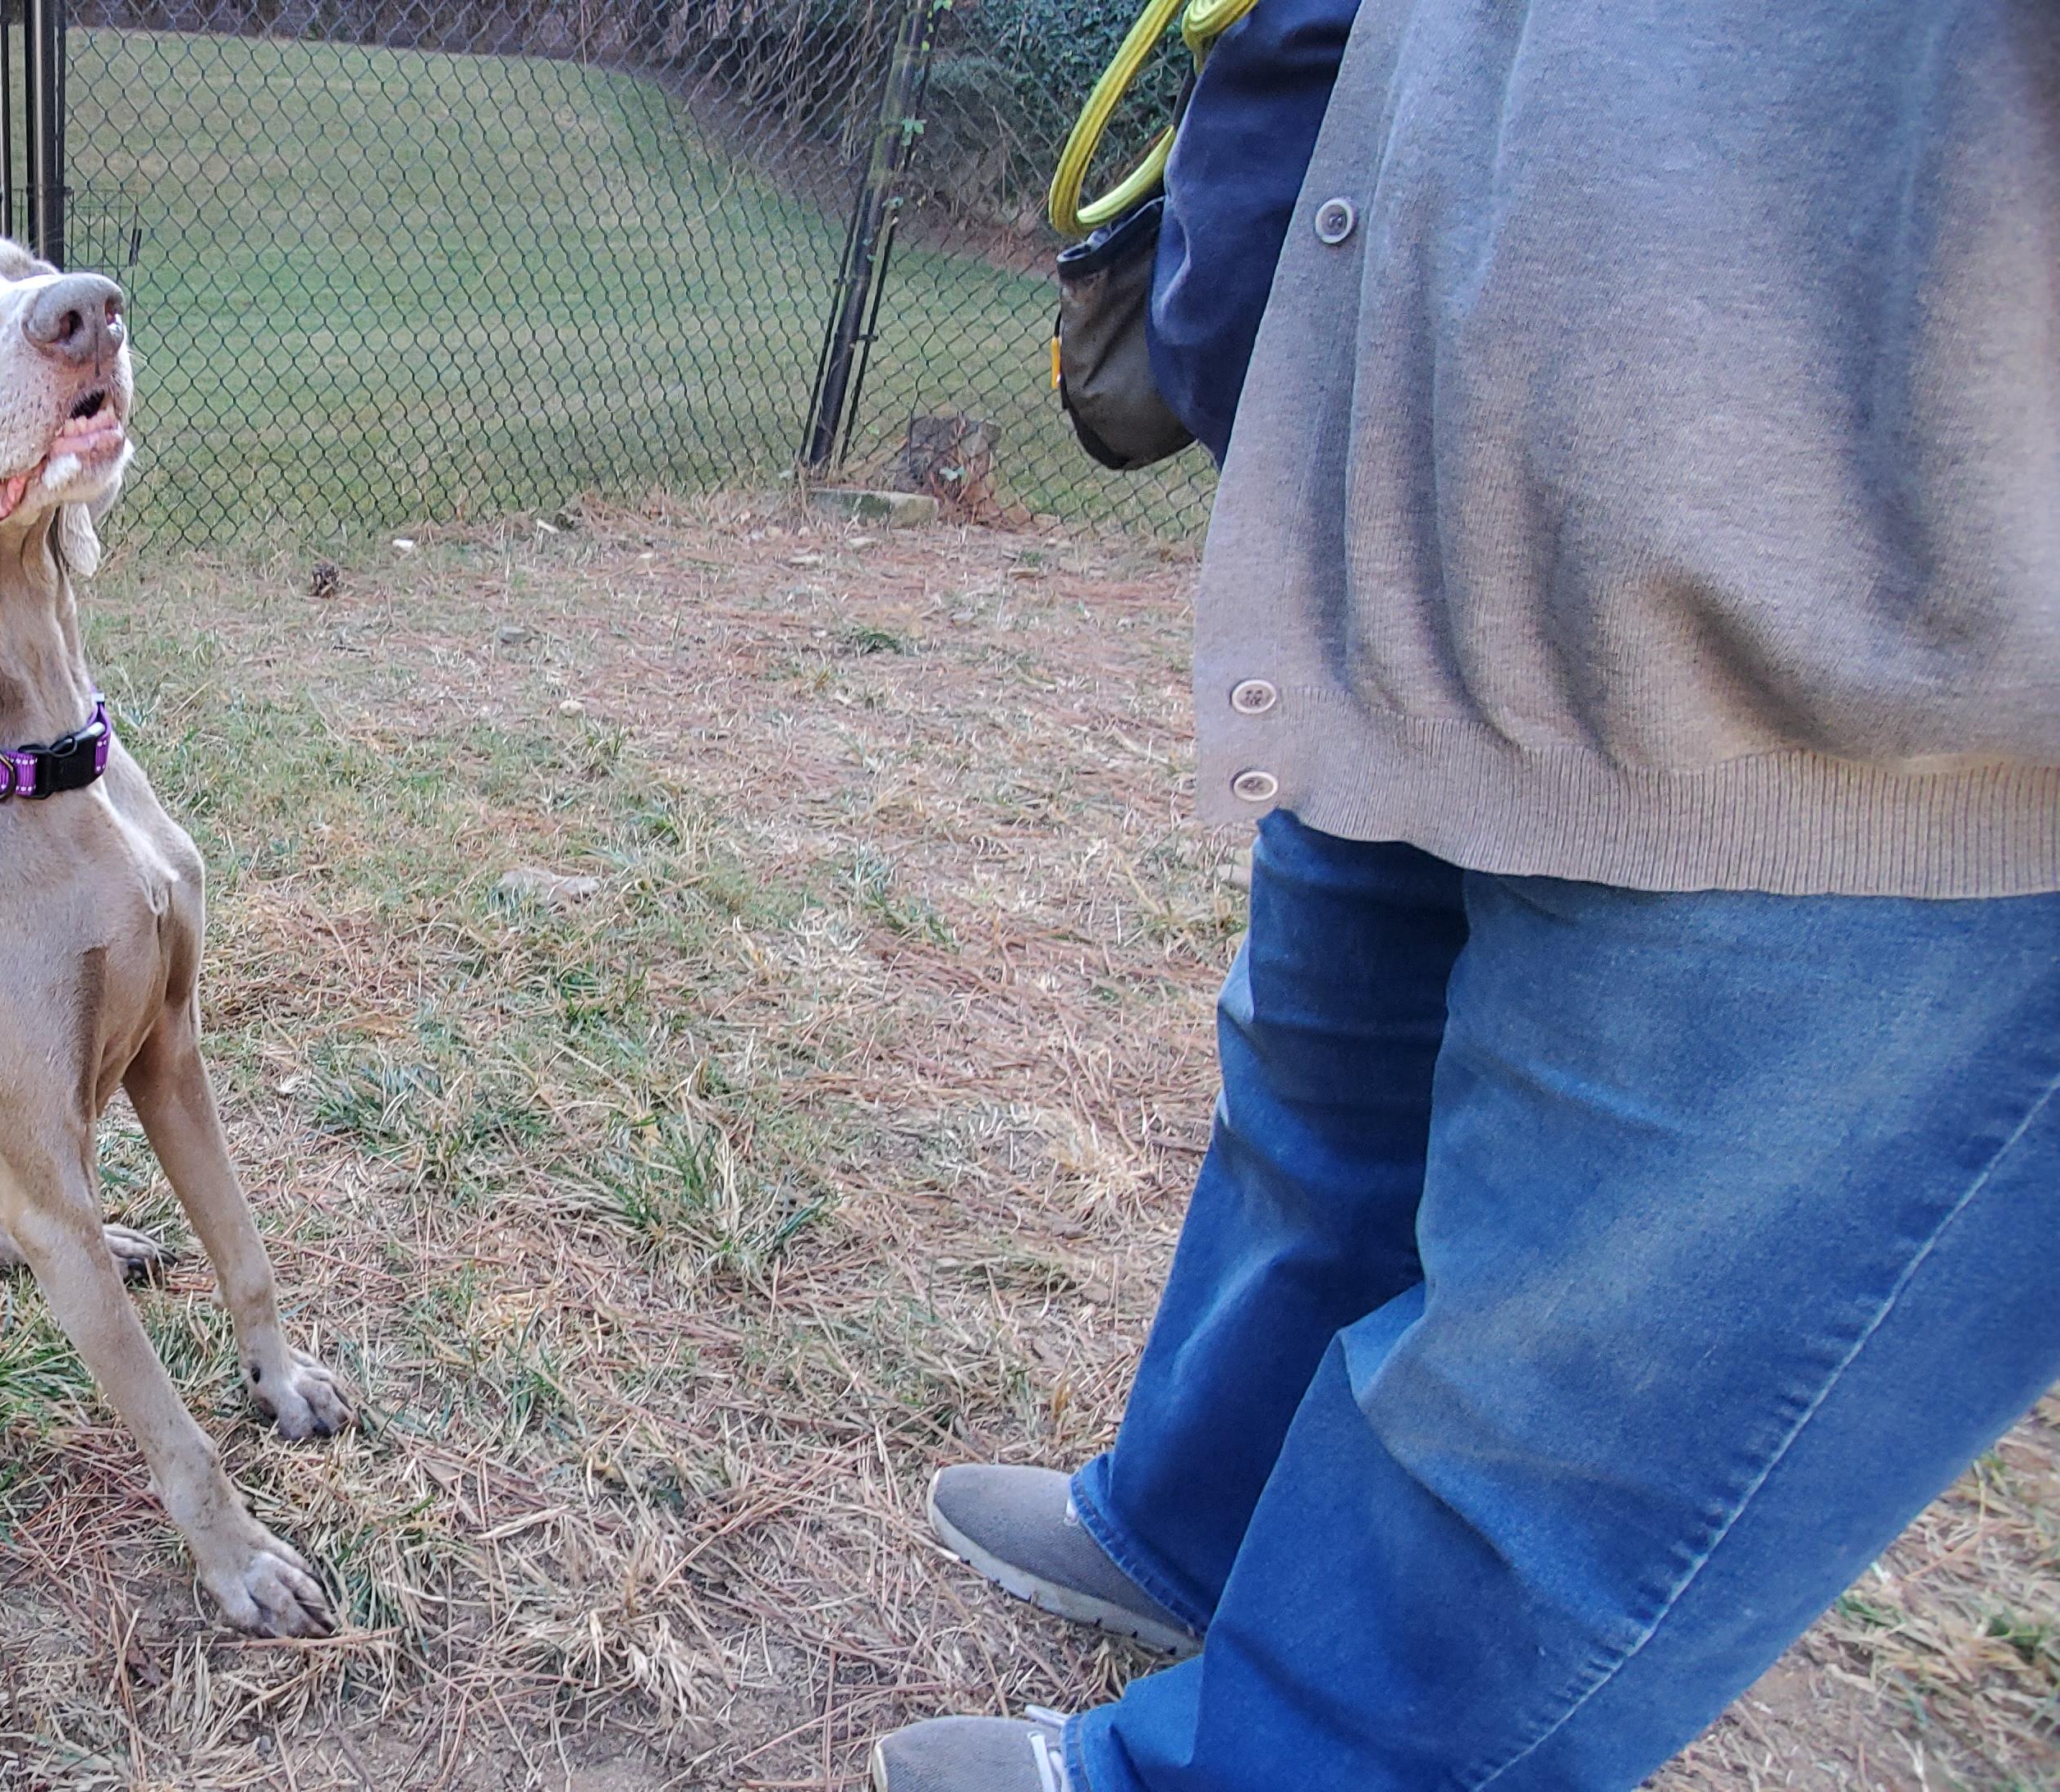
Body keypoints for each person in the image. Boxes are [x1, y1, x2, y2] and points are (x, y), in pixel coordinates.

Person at [868, 2, 2060, 1789]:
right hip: (1421, 573)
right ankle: (1192, 1531)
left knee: (1557, 1410)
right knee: (1315, 1139)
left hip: (1871, 682)